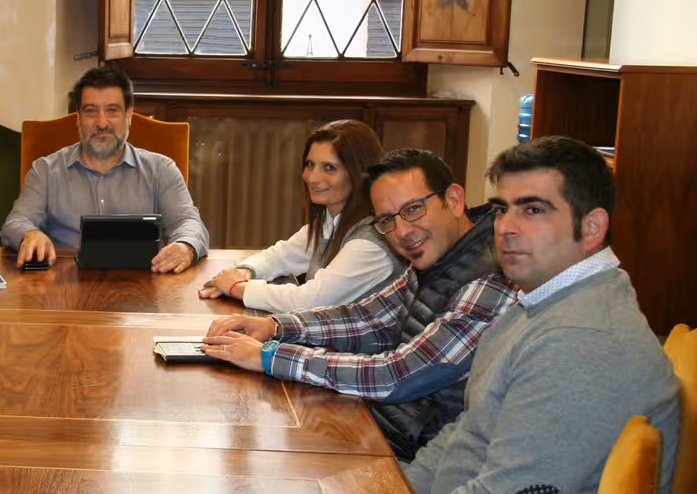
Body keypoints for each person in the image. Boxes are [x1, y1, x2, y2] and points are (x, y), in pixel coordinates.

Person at [404, 136, 679, 494]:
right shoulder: (542, 303)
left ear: (591, 227)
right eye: (503, 208)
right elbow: (468, 432)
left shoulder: (582, 340)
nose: (506, 227)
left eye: (533, 209)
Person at [202, 148, 516, 460]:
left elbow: (397, 375)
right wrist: (275, 326)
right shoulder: (438, 257)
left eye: (413, 209)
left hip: (421, 458)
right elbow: (368, 318)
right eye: (387, 219)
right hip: (384, 427)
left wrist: (271, 356)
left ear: (454, 200)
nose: (402, 231)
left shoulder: (490, 280)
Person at [2, 66, 209, 272]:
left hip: (143, 284)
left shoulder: (162, 170)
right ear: (78, 117)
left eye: (112, 111)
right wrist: (29, 234)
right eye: (91, 111)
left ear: (129, 115)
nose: (102, 123)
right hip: (64, 283)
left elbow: (189, 223)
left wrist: (185, 247)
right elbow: (17, 221)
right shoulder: (45, 170)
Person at [199, 119, 403, 311]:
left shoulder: (372, 242)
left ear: (360, 173)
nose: (312, 177)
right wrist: (245, 271)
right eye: (310, 164)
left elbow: (311, 301)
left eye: (329, 168)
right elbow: (279, 256)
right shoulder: (331, 220)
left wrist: (236, 287)